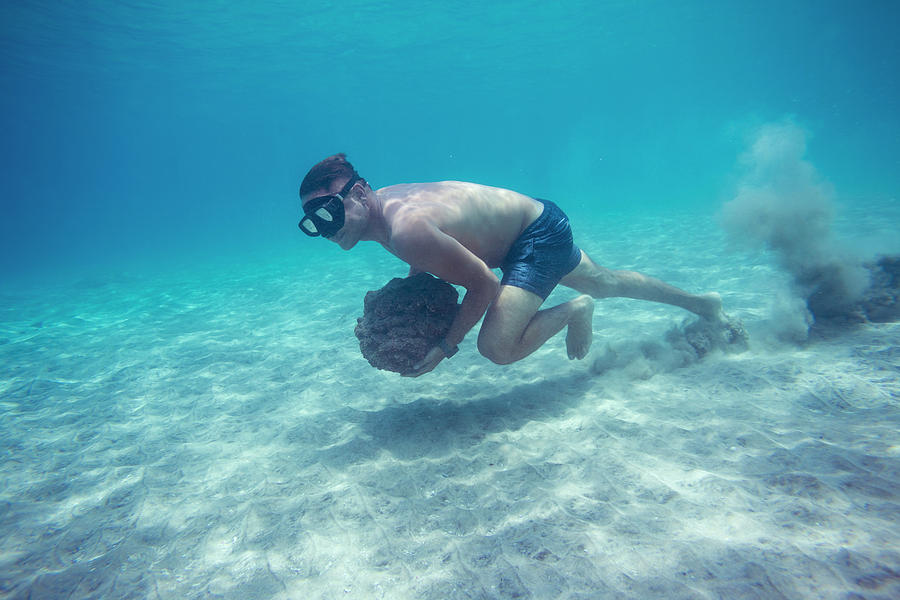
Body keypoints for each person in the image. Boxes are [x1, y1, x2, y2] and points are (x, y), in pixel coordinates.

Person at [298, 153, 725, 377]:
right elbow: (433, 259)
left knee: (496, 348)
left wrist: (446, 345)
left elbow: (482, 285)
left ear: (360, 193)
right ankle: (703, 303)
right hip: (537, 219)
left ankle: (576, 310)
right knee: (606, 281)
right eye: (313, 221)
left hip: (534, 236)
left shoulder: (405, 228)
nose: (326, 227)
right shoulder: (387, 210)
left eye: (328, 211)